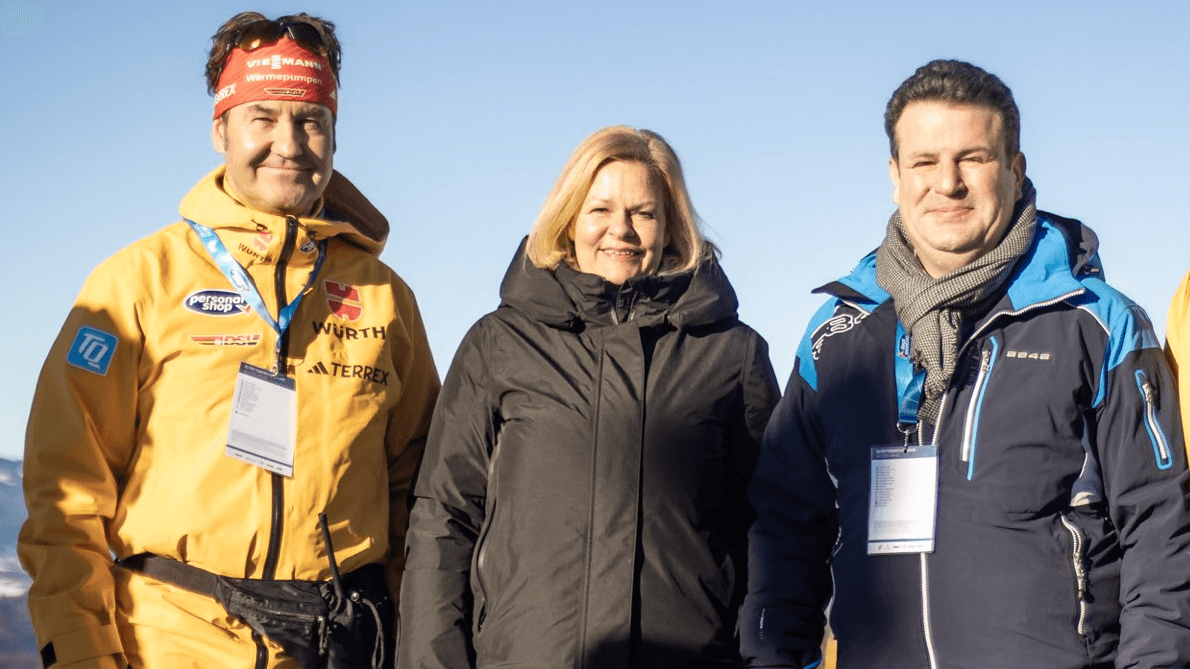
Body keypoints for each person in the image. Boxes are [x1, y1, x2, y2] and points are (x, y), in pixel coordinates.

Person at [19, 12, 440, 669]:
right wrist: (78, 650)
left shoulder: (385, 298)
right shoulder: (138, 282)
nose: (289, 142)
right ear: (221, 128)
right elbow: (66, 497)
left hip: (340, 645)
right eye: (263, 117)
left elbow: (418, 492)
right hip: (169, 642)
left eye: (311, 120)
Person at [741, 59, 1190, 669]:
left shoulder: (1097, 322)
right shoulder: (836, 336)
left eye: (972, 158)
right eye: (924, 162)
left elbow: (1160, 526)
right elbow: (788, 528)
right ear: (895, 175)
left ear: (1014, 167)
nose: (947, 183)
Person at [397, 126, 780, 668]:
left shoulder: (730, 354)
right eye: (600, 209)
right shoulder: (499, 344)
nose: (619, 230)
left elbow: (770, 527)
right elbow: (444, 517)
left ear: (671, 226)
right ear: (569, 218)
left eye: (643, 213)